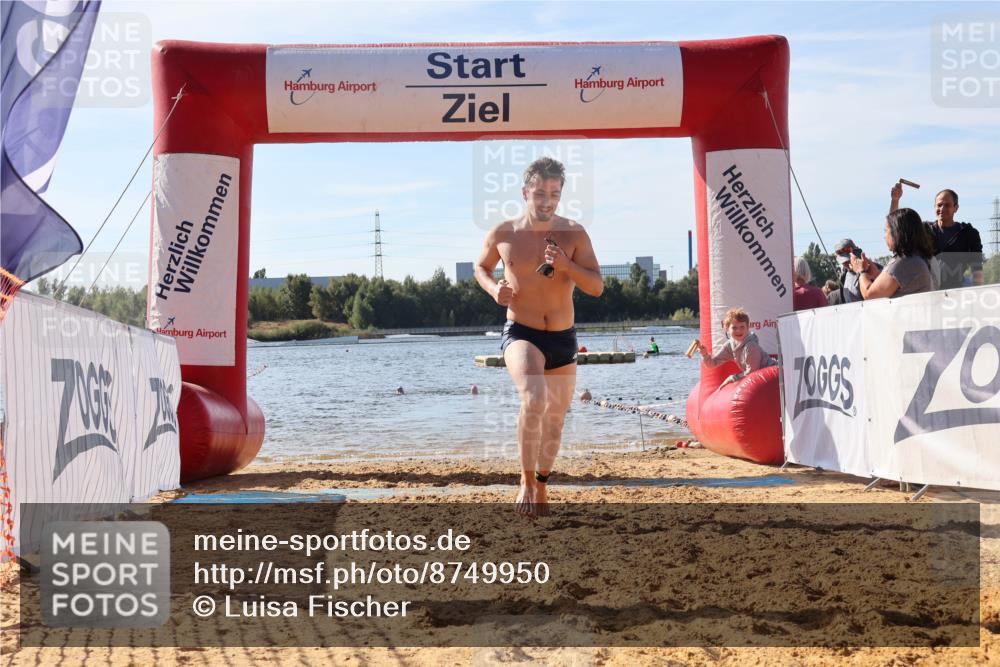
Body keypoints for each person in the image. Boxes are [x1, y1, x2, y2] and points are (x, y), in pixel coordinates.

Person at [475, 156, 603, 518]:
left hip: (562, 335)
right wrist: (492, 288)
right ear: (525, 192)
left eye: (555, 193)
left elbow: (596, 286)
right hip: (521, 331)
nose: (547, 200)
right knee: (534, 397)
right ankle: (526, 480)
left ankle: (543, 484)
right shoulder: (504, 233)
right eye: (540, 193)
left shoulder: (574, 233)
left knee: (556, 418)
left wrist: (567, 266)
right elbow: (480, 267)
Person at [890, 184, 984, 289]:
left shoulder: (968, 233)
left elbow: (977, 270)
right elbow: (895, 231)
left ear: (956, 208)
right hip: (928, 290)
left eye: (947, 205)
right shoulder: (924, 230)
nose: (942, 209)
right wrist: (895, 200)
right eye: (939, 205)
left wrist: (978, 295)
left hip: (957, 291)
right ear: (934, 207)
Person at [850, 208, 935, 299]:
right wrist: (877, 273)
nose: (884, 236)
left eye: (886, 231)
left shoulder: (905, 261)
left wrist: (861, 271)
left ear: (896, 232)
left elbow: (870, 295)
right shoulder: (914, 258)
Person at [696, 307, 777, 388]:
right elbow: (712, 364)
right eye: (734, 328)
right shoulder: (730, 346)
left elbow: (752, 373)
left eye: (742, 327)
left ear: (748, 327)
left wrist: (732, 378)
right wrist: (705, 354)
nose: (738, 330)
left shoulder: (751, 346)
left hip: (775, 374)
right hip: (763, 378)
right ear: (727, 329)